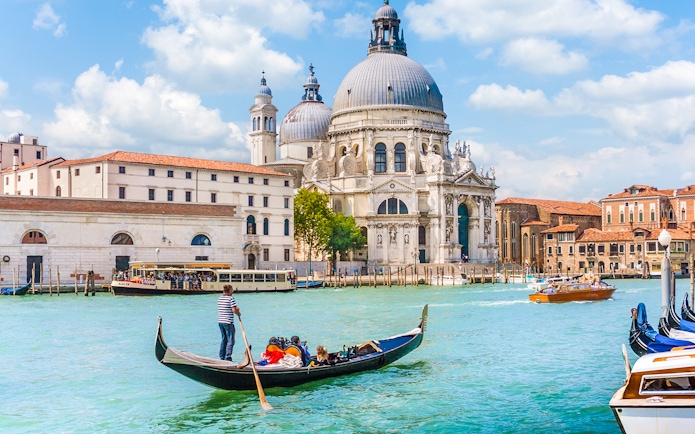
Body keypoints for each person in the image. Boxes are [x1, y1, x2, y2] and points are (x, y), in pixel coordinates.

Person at [218, 285, 241, 361]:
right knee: (231, 340)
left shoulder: (220, 298)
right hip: (228, 322)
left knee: (224, 339)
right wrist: (238, 313)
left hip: (221, 321)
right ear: (230, 290)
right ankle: (228, 357)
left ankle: (222, 356)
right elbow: (234, 310)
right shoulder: (231, 298)